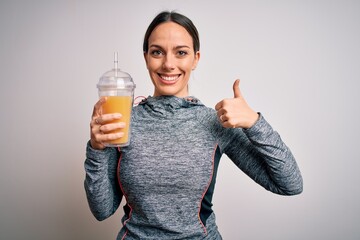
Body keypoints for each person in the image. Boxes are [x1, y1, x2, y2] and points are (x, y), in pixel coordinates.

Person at [84, 11, 303, 240]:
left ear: (195, 59)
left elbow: (290, 184)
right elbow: (102, 210)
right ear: (146, 57)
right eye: (157, 52)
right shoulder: (122, 120)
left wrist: (255, 123)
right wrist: (96, 149)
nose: (168, 64)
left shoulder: (214, 123)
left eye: (181, 53)